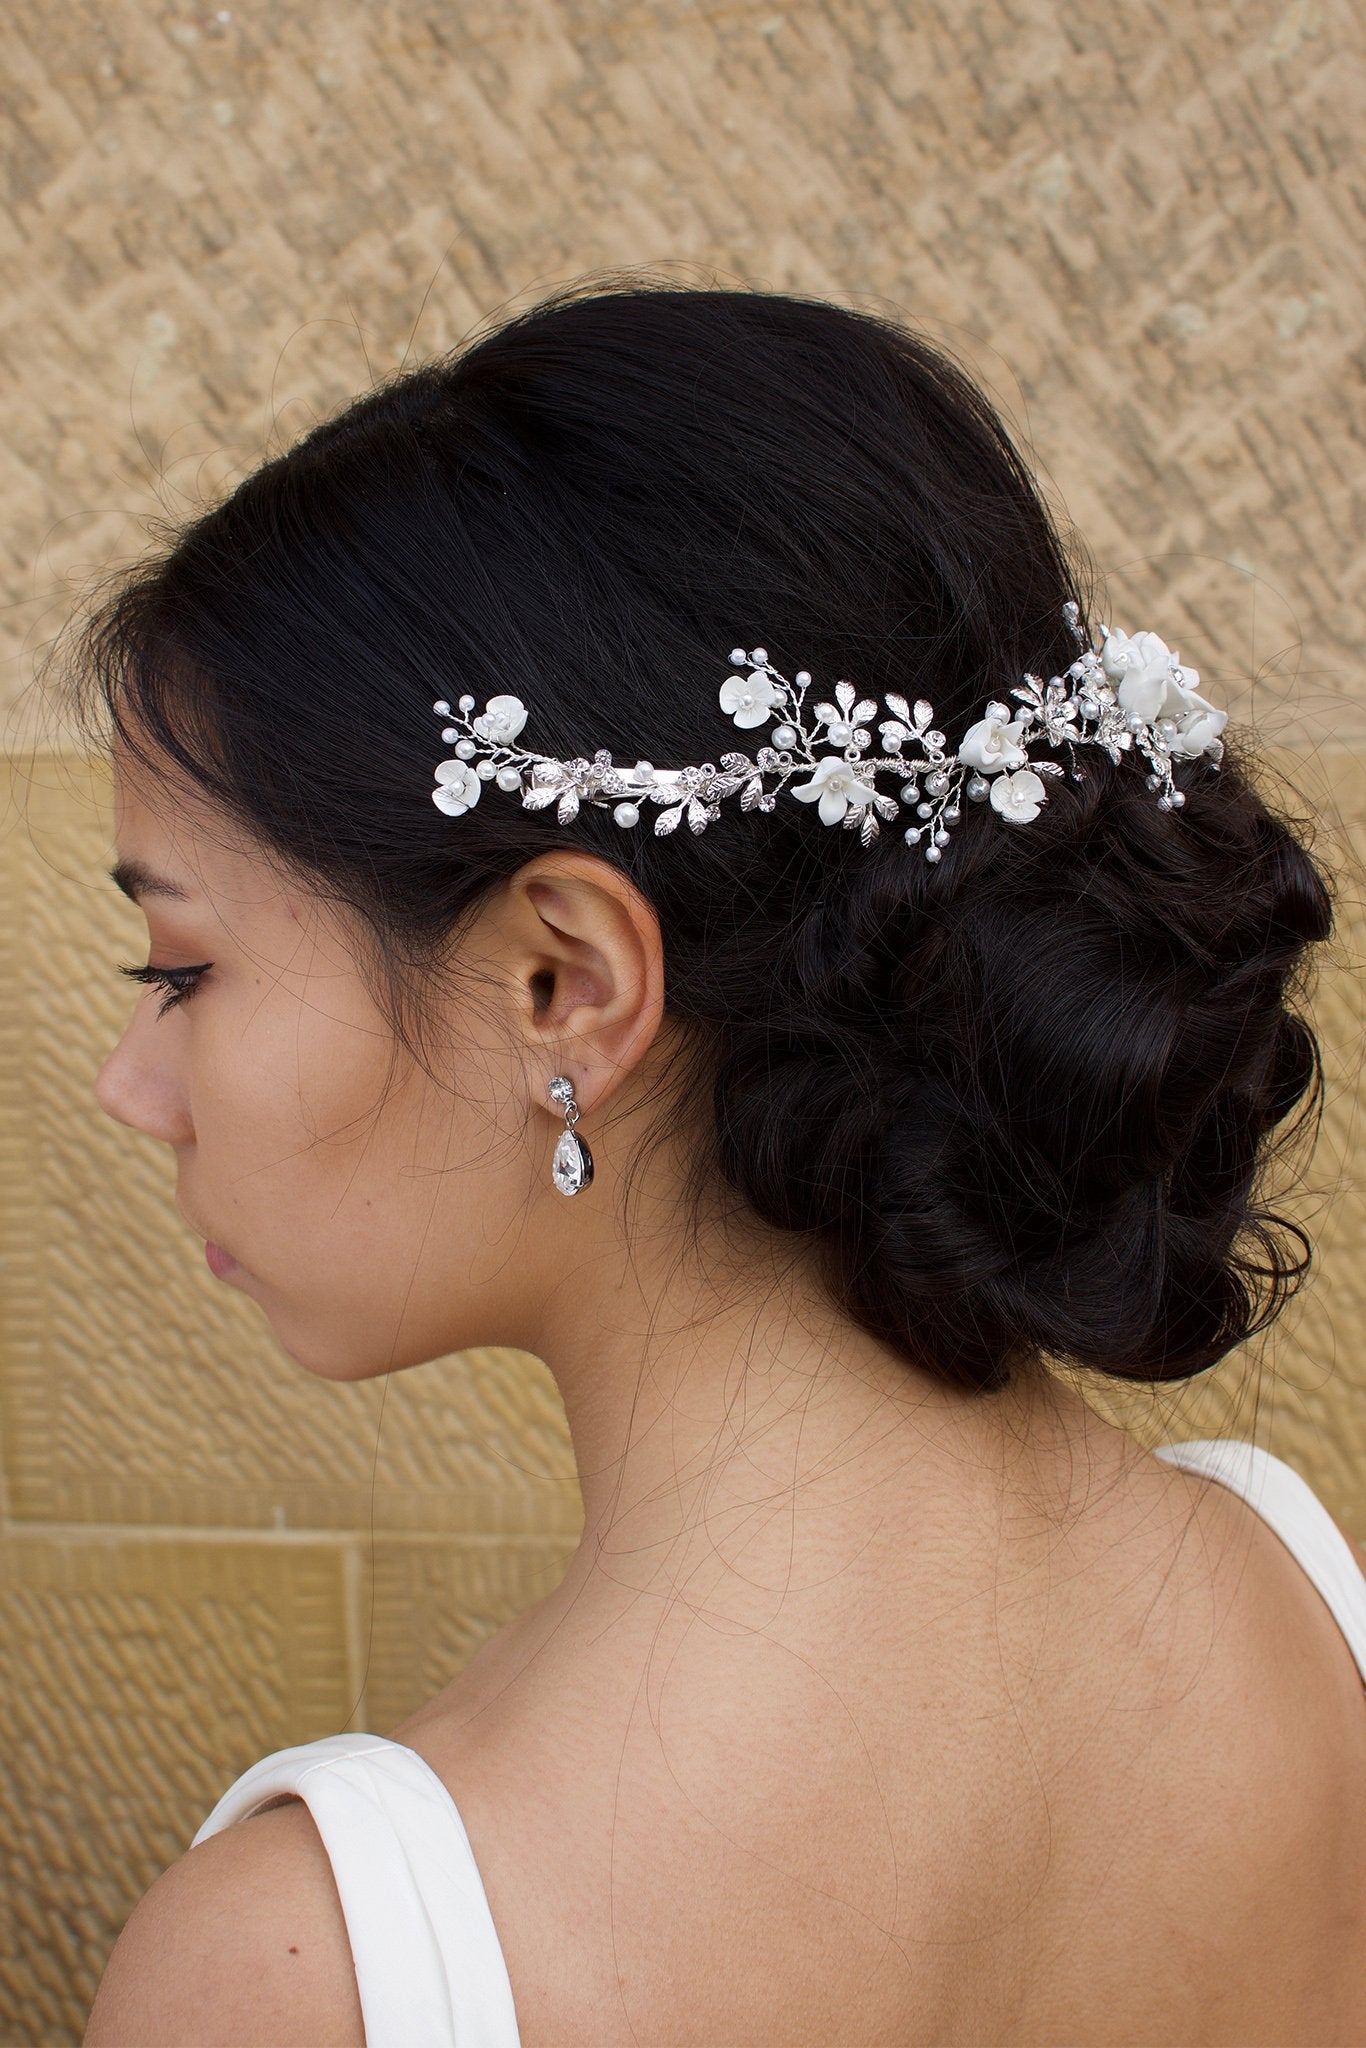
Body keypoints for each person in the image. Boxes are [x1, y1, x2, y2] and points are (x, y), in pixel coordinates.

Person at [74, 278, 1365, 2046]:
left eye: (183, 970)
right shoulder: (1300, 1610)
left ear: (566, 982)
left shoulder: (312, 1975)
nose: (130, 1085)